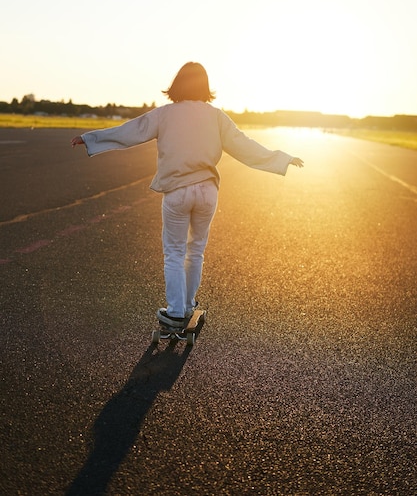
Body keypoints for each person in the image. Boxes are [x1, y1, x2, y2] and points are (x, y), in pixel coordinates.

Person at [71, 62, 304, 328]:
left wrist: (90, 139)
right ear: (205, 86)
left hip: (178, 191)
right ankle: (188, 303)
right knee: (196, 251)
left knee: (174, 251)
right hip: (207, 191)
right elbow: (244, 146)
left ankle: (175, 311)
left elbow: (130, 132)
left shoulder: (165, 114)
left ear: (177, 85)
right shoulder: (216, 116)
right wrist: (282, 159)